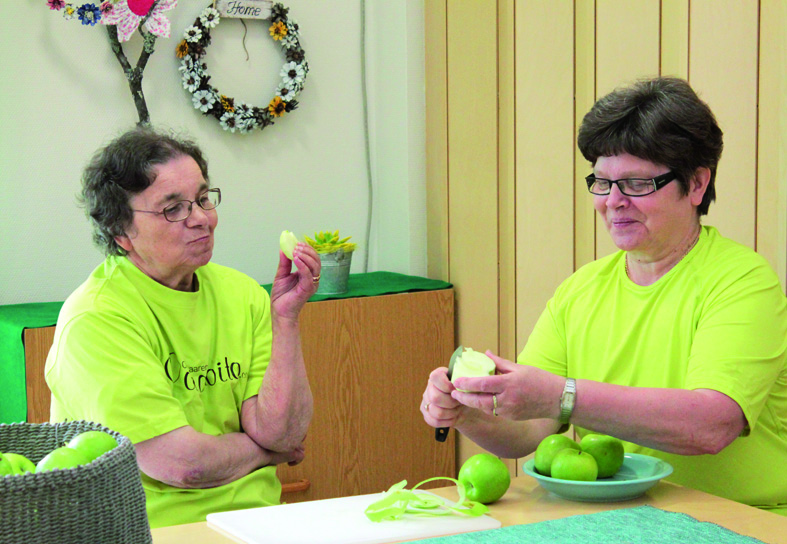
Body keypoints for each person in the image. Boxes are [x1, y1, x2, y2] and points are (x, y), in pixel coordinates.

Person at [421, 77, 787, 515]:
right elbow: (531, 429)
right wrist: (468, 411)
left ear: (696, 184)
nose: (612, 202)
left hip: (740, 523)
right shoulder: (582, 289)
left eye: (635, 184)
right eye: (601, 181)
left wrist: (562, 395)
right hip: (613, 522)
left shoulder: (742, 281)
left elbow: (711, 424)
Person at [45, 126, 321, 528]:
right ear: (121, 232)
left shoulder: (242, 293)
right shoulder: (97, 318)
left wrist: (287, 319)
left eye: (203, 199)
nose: (202, 220)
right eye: (173, 208)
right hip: (147, 531)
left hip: (259, 524)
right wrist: (268, 455)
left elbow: (282, 432)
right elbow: (181, 463)